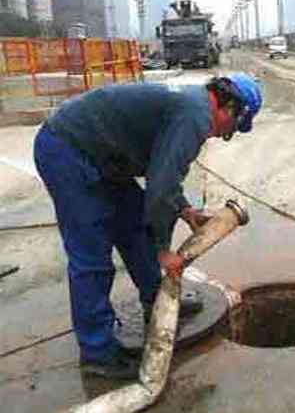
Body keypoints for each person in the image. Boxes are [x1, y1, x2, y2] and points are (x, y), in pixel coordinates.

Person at [33, 74, 263, 379]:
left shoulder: (193, 104)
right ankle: (97, 353)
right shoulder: (195, 115)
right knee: (92, 256)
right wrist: (164, 251)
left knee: (134, 226)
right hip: (69, 149)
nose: (221, 136)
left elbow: (162, 170)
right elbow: (159, 188)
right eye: (231, 130)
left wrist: (183, 208)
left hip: (103, 155)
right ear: (230, 108)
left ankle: (156, 300)